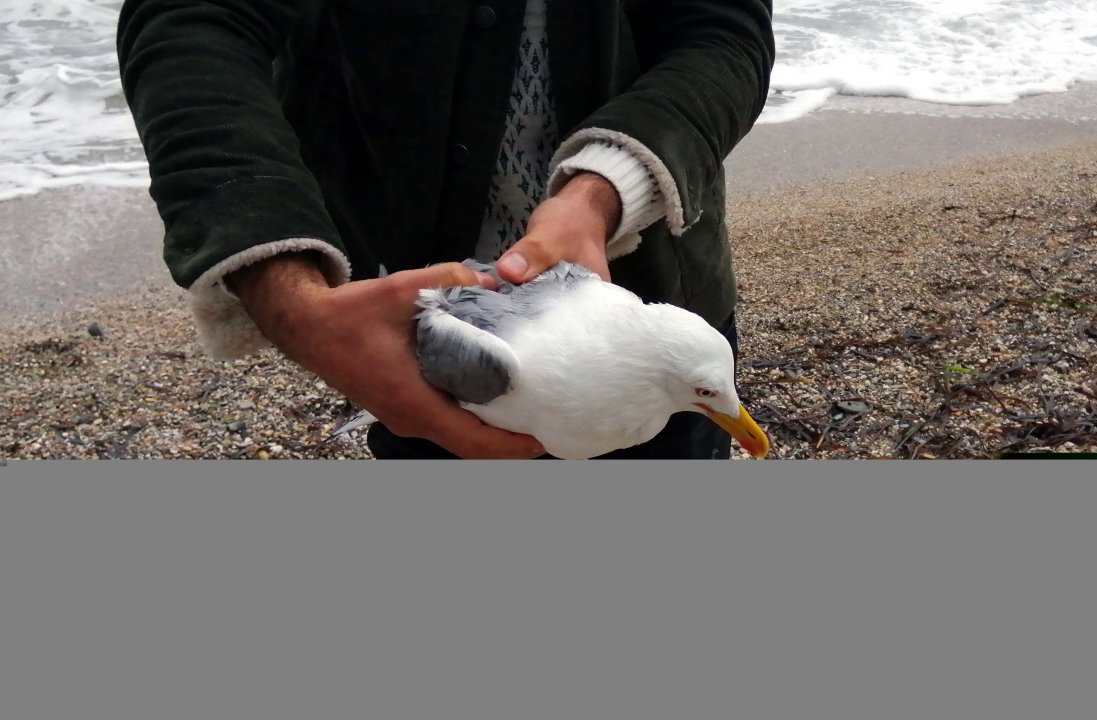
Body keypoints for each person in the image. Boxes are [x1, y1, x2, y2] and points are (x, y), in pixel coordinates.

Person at [116, 0, 775, 459]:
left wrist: (606, 184)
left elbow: (722, 31)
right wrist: (286, 294)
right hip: (403, 303)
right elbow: (193, 19)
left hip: (656, 270)